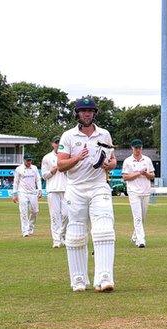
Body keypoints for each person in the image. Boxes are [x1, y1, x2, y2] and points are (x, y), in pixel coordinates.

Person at [57, 96, 118, 293]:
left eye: (90, 111)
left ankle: (104, 278)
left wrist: (110, 165)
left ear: (94, 113)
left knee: (104, 229)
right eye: (83, 111)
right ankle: (78, 280)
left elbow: (113, 159)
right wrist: (78, 157)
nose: (87, 114)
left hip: (99, 185)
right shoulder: (68, 137)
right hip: (76, 188)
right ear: (77, 114)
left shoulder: (104, 134)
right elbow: (60, 165)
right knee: (75, 234)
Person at [122, 138, 155, 248]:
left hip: (145, 191)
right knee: (137, 217)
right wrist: (138, 173)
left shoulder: (147, 160)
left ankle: (135, 236)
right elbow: (125, 177)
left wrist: (145, 174)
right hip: (133, 192)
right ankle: (141, 240)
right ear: (132, 148)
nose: (138, 150)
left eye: (140, 148)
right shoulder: (128, 161)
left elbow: (152, 176)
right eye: (136, 148)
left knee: (143, 217)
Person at [41, 135, 68, 248]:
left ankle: (62, 236)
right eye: (56, 142)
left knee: (67, 215)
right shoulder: (47, 158)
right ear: (53, 144)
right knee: (55, 216)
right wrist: (52, 171)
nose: (57, 144)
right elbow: (44, 175)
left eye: (59, 142)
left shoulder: (67, 156)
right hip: (52, 190)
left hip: (66, 189)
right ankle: (56, 240)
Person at [12, 153, 42, 237]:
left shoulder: (34, 168)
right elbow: (16, 182)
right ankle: (25, 231)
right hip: (22, 193)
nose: (29, 162)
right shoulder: (19, 169)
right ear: (24, 160)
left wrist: (39, 189)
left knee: (35, 211)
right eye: (28, 160)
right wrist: (14, 194)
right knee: (23, 212)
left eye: (30, 160)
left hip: (33, 192)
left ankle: (30, 227)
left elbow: (38, 179)